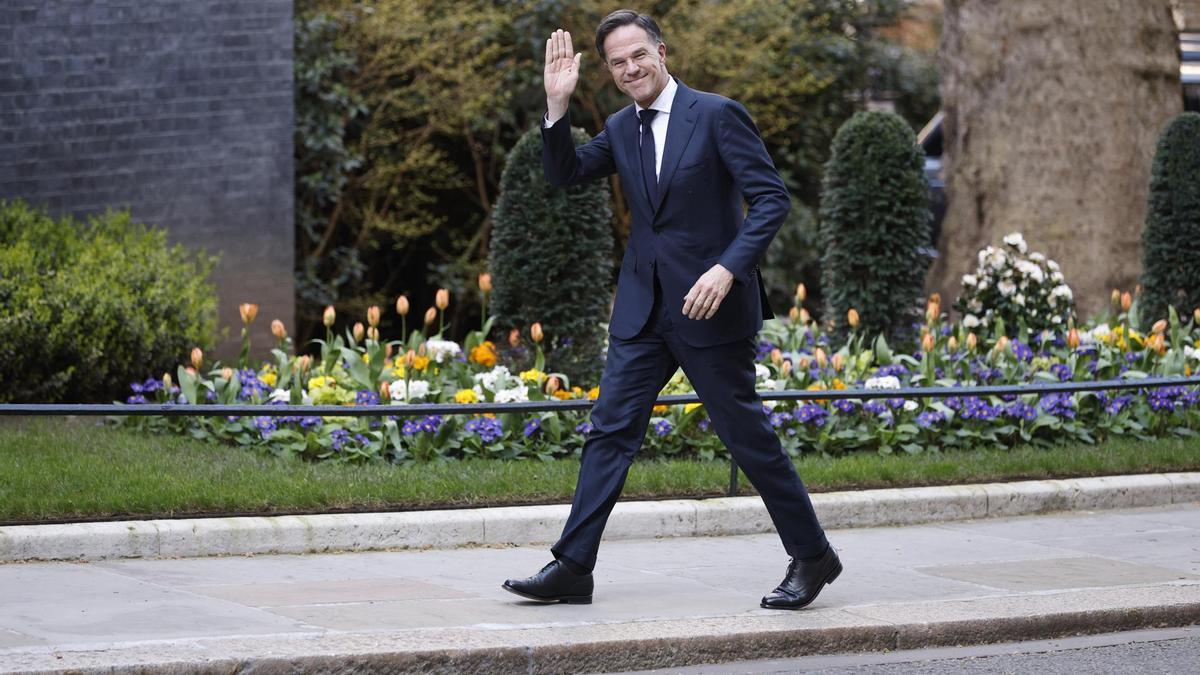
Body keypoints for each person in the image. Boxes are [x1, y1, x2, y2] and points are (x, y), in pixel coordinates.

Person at [502, 9, 839, 610]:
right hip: (642, 311)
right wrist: (556, 107)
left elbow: (771, 199)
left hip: (710, 307)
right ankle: (573, 565)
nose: (631, 68)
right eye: (617, 62)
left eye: (639, 55)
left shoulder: (715, 115)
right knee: (609, 431)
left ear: (662, 52)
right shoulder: (620, 126)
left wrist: (727, 267)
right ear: (608, 71)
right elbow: (565, 172)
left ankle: (813, 556)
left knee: (746, 438)